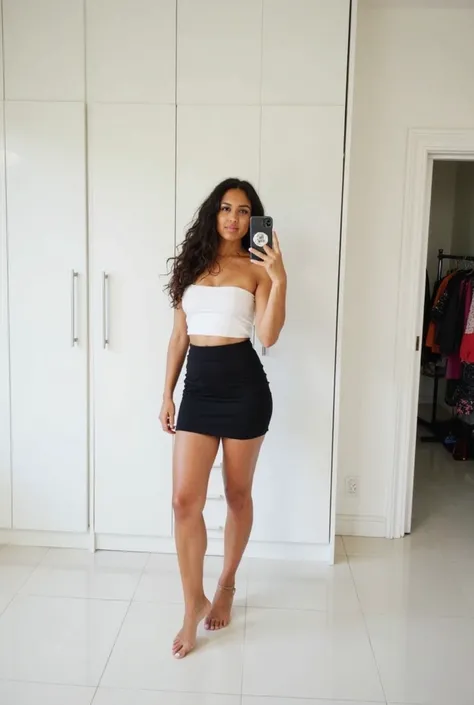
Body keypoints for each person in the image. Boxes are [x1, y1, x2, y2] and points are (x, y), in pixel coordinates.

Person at [160, 178, 287, 659]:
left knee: (237, 494)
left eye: (243, 211)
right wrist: (167, 393)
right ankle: (192, 602)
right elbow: (179, 337)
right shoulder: (190, 267)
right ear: (213, 213)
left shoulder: (257, 269)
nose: (234, 218)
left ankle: (227, 583)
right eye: (226, 208)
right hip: (198, 391)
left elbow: (268, 336)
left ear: (253, 219)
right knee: (183, 501)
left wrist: (280, 279)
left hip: (244, 390)